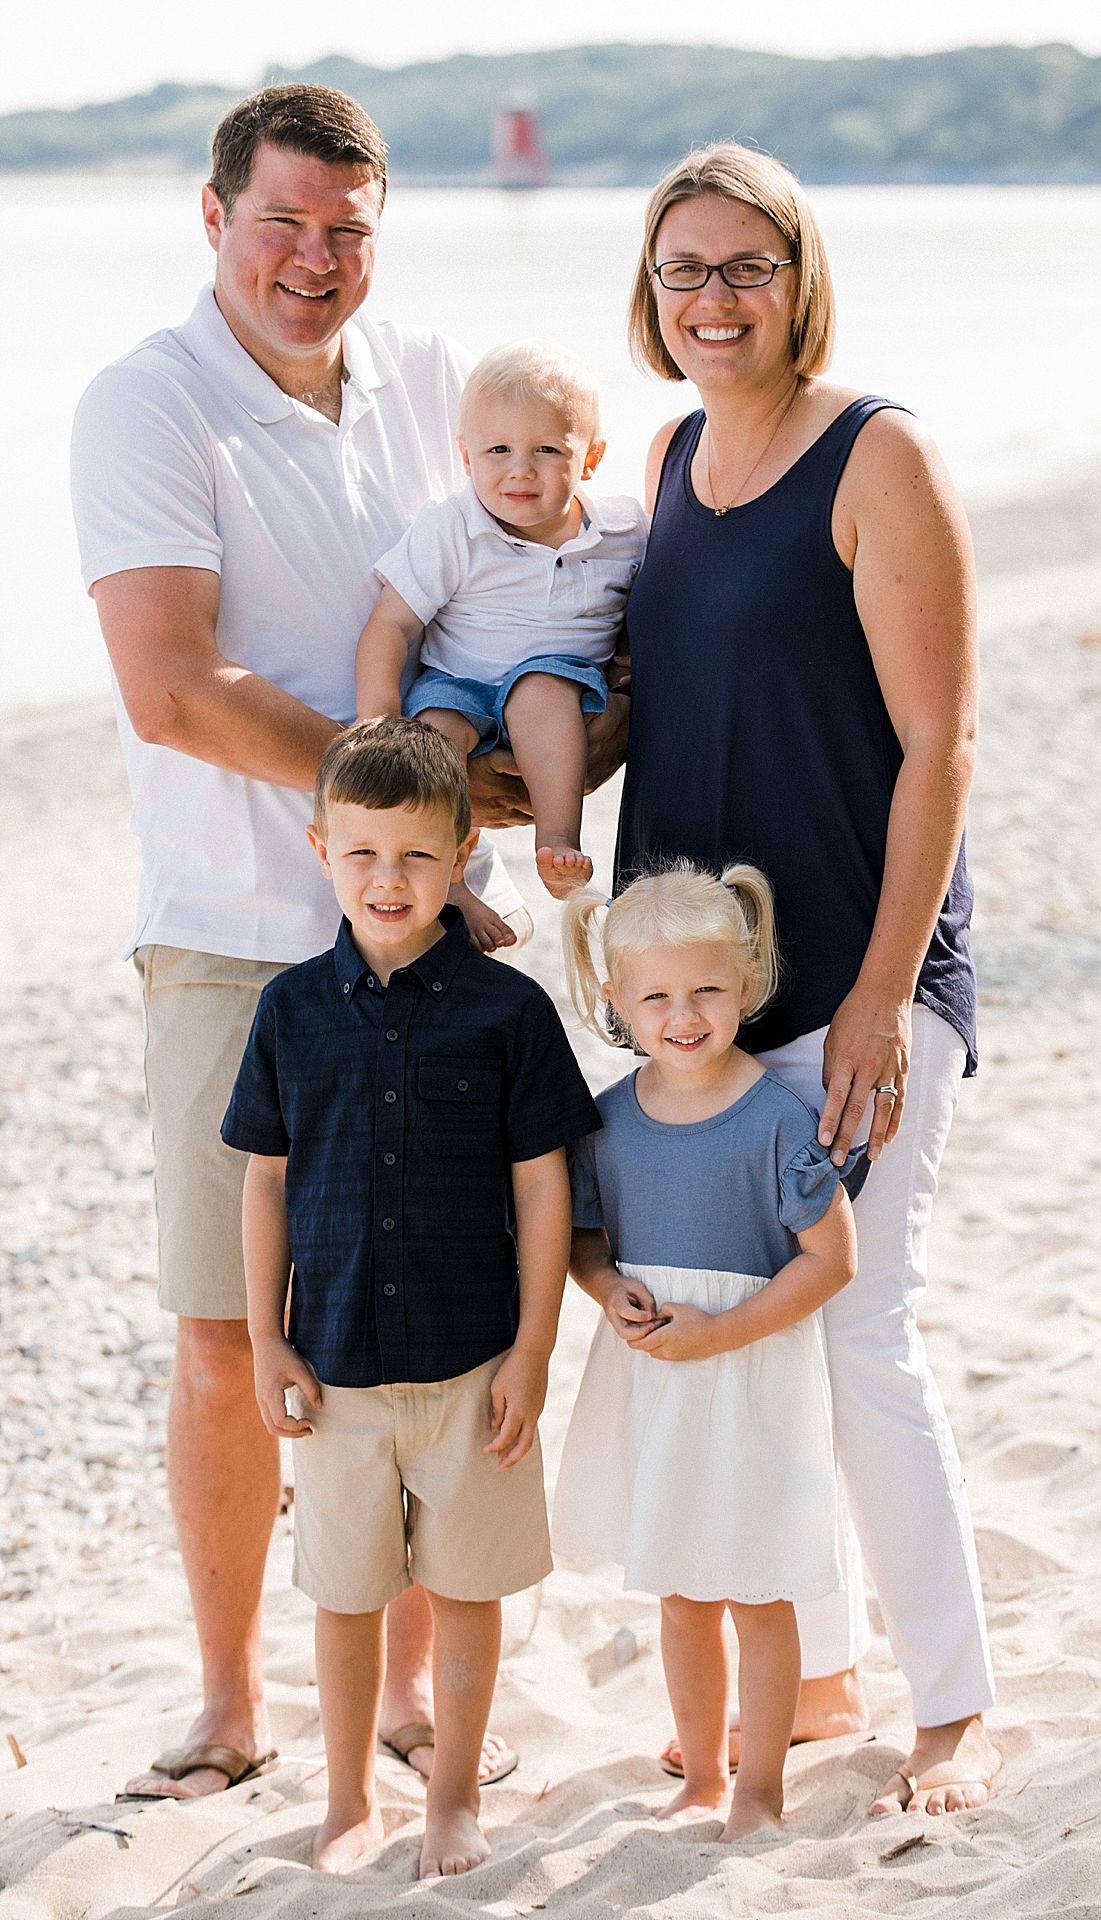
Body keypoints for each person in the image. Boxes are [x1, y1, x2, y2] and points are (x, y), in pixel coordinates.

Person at [67, 83, 623, 1802]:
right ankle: (233, 1706)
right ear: (215, 213)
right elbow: (171, 687)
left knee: (428, 1323)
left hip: (443, 942)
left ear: (383, 228)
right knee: (231, 1335)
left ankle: (395, 1697)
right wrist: (405, 804)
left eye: (349, 229)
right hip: (238, 940)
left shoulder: (438, 383)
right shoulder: (146, 403)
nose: (315, 260)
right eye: (285, 222)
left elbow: (563, 579)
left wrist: (549, 776)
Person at [617, 143, 1001, 1816]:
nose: (712, 300)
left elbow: (943, 741)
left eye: (743, 268)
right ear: (650, 294)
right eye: (681, 271)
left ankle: (956, 1707)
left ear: (800, 278)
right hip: (705, 999)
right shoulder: (672, 452)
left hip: (864, 971)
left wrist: (877, 992)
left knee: (858, 1333)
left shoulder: (878, 453)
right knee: (752, 1346)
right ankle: (824, 1674)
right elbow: (673, 695)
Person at [223, 719, 600, 1875]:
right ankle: (347, 1805)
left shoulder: (507, 1013)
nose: (389, 881)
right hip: (333, 1371)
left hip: (474, 1365)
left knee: (468, 1590)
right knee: (343, 1596)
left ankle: (449, 1804)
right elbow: (264, 1182)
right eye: (363, 855)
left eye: (417, 858)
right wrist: (264, 1343)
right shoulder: (290, 1012)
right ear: (321, 850)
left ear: (464, 850)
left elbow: (544, 1192)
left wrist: (535, 1351)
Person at [554, 864, 859, 1842]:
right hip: (657, 1385)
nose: (681, 1016)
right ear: (615, 1000)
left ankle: (758, 1785)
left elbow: (831, 1260)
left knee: (757, 1591)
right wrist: (607, 1292)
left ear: (747, 981)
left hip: (750, 1376)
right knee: (682, 1591)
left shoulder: (773, 1121)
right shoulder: (605, 1122)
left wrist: (720, 1333)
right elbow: (582, 1241)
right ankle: (696, 1770)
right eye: (654, 997)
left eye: (706, 992)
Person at [356, 340, 646, 903]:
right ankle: (452, 879)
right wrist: (379, 726)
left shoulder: (624, 533)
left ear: (590, 457)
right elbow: (391, 625)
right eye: (498, 450)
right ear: (466, 457)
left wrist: (628, 676)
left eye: (546, 450)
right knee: (433, 739)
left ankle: (558, 840)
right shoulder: (452, 529)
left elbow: (656, 606)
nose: (520, 470)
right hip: (459, 684)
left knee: (541, 691)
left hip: (558, 689)